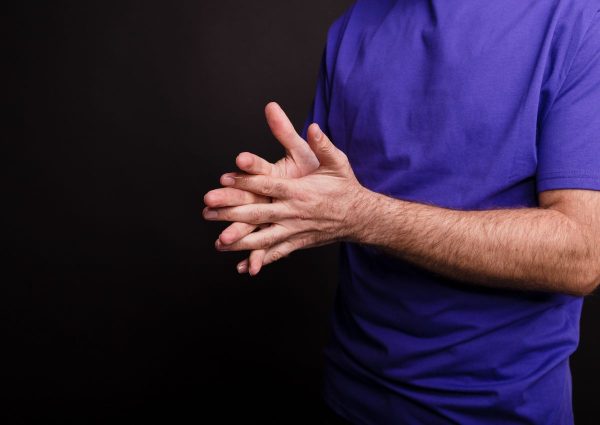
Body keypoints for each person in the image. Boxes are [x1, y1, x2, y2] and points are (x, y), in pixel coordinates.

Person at [203, 1, 600, 423]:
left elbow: (582, 255)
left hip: (496, 412)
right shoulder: (352, 26)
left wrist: (365, 217)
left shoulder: (575, 20)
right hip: (349, 397)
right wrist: (283, 199)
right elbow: (332, 185)